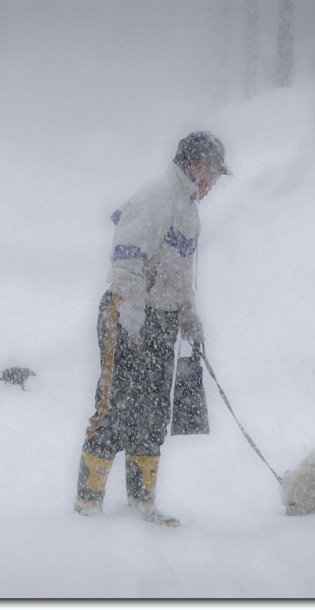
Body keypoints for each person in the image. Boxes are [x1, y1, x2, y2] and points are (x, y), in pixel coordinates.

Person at [74, 131, 232, 526]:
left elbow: (178, 275)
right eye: (212, 172)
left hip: (162, 320)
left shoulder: (189, 209)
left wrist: (187, 313)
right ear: (195, 166)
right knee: (115, 407)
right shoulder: (159, 196)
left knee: (153, 411)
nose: (213, 182)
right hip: (128, 314)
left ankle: (142, 502)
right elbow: (127, 256)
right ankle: (87, 503)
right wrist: (130, 312)